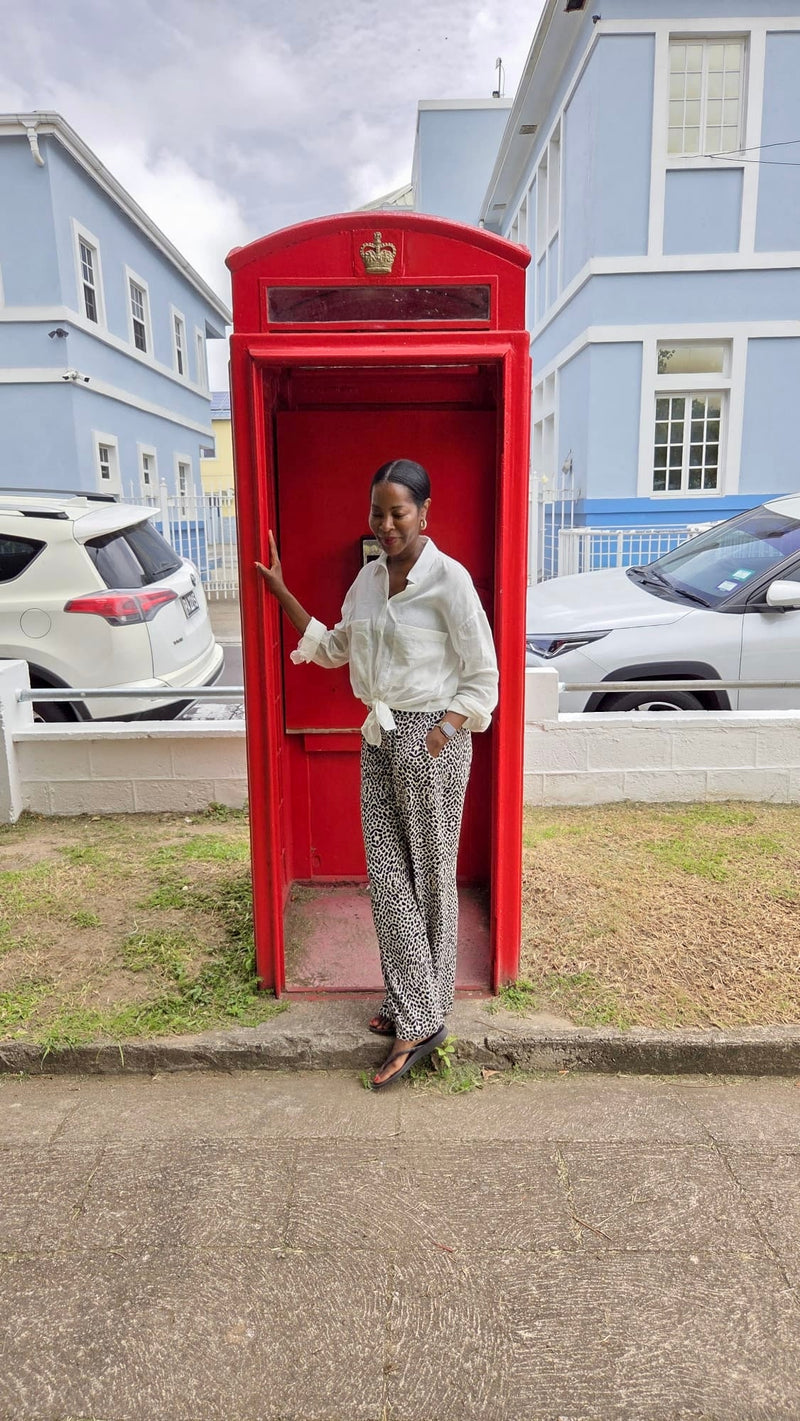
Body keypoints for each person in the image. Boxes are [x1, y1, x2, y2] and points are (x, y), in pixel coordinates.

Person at [256, 458, 498, 1089]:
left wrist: (445, 730)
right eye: (377, 513)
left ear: (424, 513)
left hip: (432, 739)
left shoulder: (450, 581)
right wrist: (283, 595)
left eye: (399, 512)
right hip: (380, 735)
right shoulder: (366, 581)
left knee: (428, 878)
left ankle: (421, 1019)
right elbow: (337, 647)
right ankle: (413, 1001)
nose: (387, 524)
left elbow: (483, 674)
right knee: (389, 875)